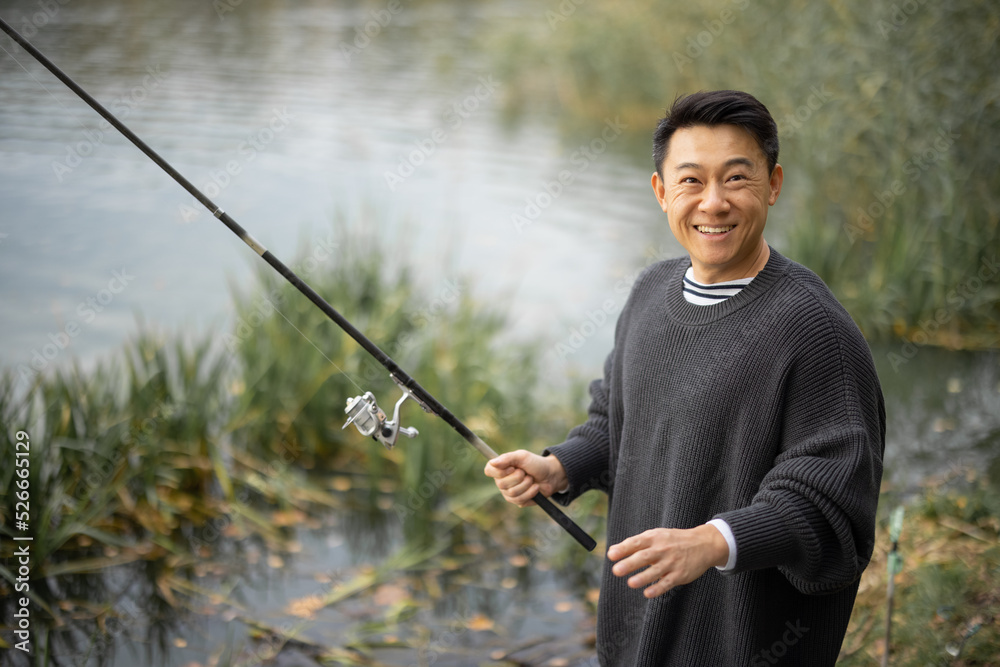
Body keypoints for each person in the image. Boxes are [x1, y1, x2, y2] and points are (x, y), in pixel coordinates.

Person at [484, 90, 886, 665]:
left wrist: (713, 541)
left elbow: (830, 504)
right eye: (691, 181)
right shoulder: (650, 293)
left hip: (746, 646)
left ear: (773, 185)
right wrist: (559, 466)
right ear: (661, 192)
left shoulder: (813, 329)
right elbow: (614, 421)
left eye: (736, 179)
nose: (713, 203)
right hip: (634, 635)